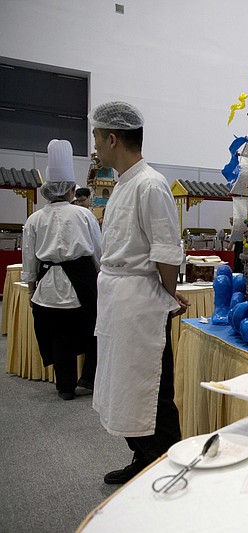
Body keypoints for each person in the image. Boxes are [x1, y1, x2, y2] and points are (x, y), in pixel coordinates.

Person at [89, 101, 189, 485]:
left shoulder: (149, 184)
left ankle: (166, 466)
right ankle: (141, 457)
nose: (96, 146)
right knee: (123, 384)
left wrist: (167, 295)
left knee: (150, 390)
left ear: (113, 138)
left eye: (98, 138)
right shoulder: (124, 183)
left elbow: (165, 251)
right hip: (119, 299)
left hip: (140, 303)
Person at [21, 140, 102, 400]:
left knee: (59, 338)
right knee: (95, 329)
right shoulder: (83, 215)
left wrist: (32, 287)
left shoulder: (34, 219)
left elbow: (29, 258)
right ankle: (89, 377)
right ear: (70, 189)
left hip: (47, 286)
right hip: (83, 281)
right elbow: (97, 251)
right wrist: (102, 275)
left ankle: (65, 387)